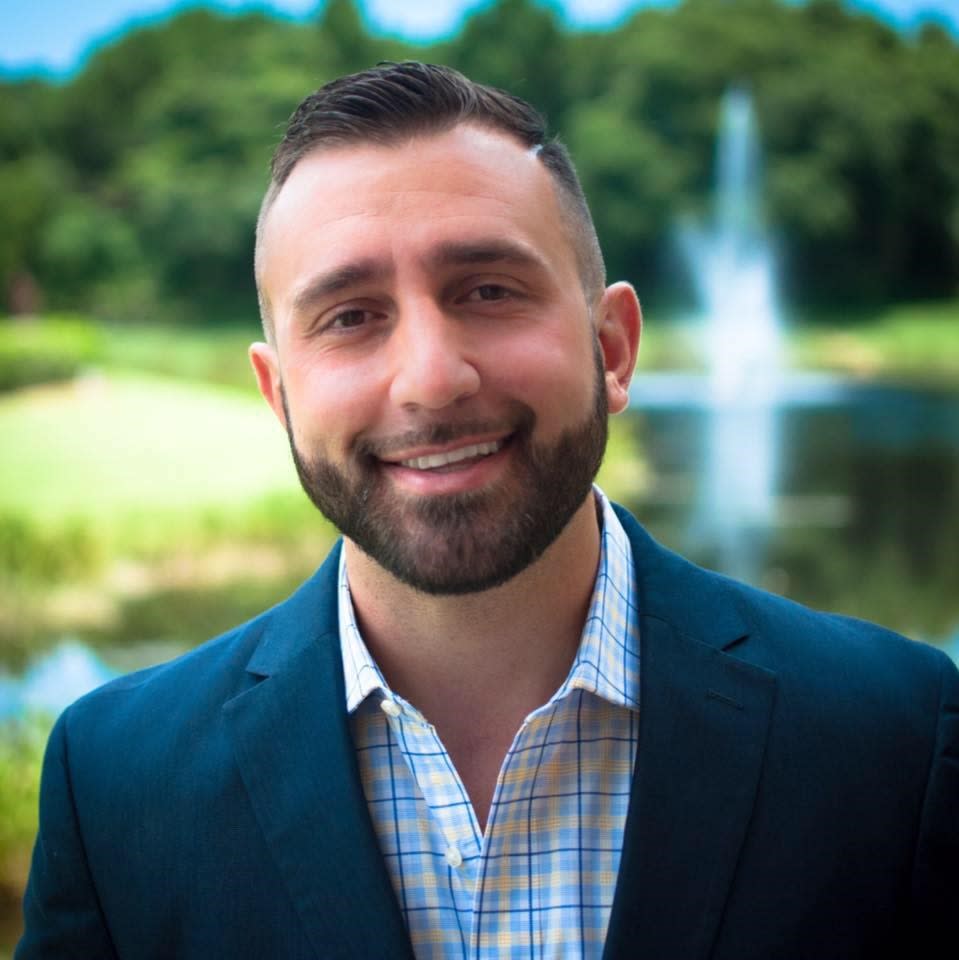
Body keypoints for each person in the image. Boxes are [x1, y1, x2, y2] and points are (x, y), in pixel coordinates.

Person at [17, 61, 958, 960]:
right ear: (279, 398)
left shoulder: (895, 739)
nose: (430, 379)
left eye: (488, 290)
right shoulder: (114, 785)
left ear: (614, 349)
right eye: (348, 314)